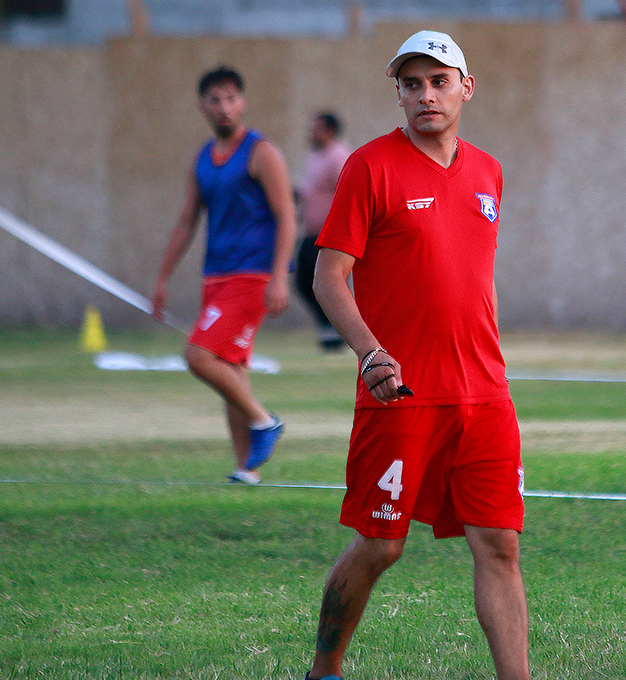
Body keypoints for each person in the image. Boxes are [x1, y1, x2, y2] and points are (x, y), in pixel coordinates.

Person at [302, 30, 529, 680]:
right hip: (399, 393)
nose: (425, 94)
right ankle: (325, 669)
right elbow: (328, 277)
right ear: (398, 93)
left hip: (486, 394)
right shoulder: (369, 167)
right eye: (411, 84)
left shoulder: (489, 171)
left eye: (438, 80)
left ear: (466, 87)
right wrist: (371, 352)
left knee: (501, 546)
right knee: (381, 544)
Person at [150, 65, 294, 486]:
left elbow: (287, 217)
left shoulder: (261, 152)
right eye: (215, 99)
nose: (224, 107)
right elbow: (185, 222)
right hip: (215, 278)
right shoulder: (202, 158)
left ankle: (264, 421)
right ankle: (246, 469)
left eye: (231, 98)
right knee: (231, 369)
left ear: (243, 102)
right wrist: (161, 278)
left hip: (252, 277)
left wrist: (280, 277)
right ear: (202, 106)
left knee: (198, 356)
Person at [294, 111, 350, 352]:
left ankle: (336, 329)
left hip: (328, 235)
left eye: (316, 128)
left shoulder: (338, 156)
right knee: (304, 281)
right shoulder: (317, 157)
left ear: (329, 130)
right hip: (312, 233)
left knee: (326, 282)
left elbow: (347, 191)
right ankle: (330, 327)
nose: (311, 132)